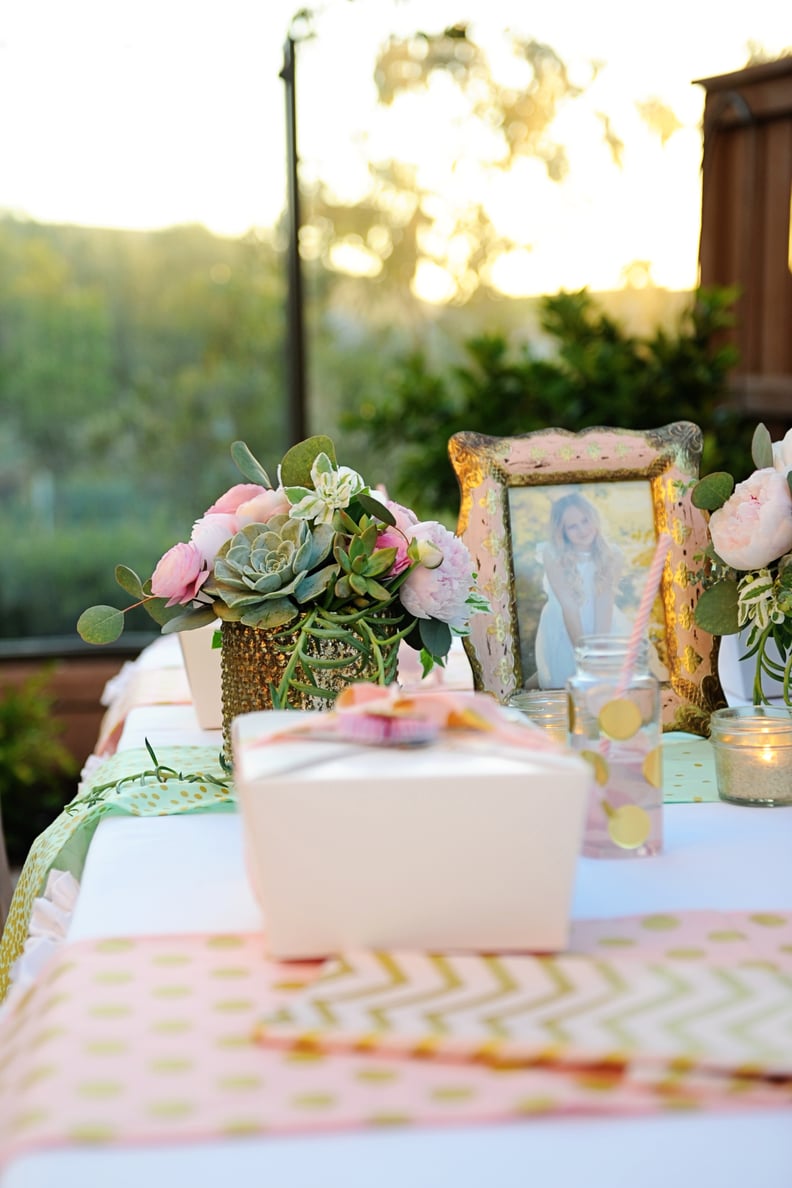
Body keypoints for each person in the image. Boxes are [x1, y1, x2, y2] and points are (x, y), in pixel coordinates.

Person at [533, 492, 629, 689]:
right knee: (560, 677)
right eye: (572, 526)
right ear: (562, 531)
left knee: (608, 681)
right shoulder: (553, 554)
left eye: (585, 521)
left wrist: (598, 653)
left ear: (594, 518)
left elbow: (604, 603)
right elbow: (568, 606)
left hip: (600, 623)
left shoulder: (612, 554)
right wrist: (583, 654)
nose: (583, 530)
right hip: (564, 622)